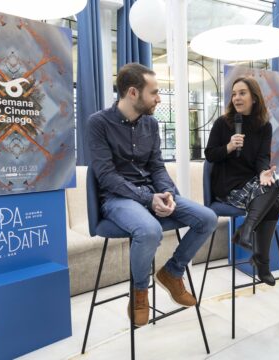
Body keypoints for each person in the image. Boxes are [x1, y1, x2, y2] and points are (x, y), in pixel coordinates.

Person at [87, 63, 217, 326]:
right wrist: (148, 199)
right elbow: (106, 176)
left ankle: (172, 272)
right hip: (117, 198)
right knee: (149, 231)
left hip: (152, 192)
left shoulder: (151, 124)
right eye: (154, 92)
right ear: (133, 93)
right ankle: (139, 291)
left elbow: (156, 166)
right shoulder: (98, 123)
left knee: (208, 218)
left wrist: (167, 193)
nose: (159, 98)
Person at [205, 77, 279, 286]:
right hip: (227, 184)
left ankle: (246, 231)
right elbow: (210, 155)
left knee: (275, 181)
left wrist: (263, 173)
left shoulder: (264, 126)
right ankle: (262, 262)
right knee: (273, 198)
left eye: (242, 93)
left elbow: (262, 158)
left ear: (254, 98)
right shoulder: (222, 123)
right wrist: (229, 147)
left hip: (250, 181)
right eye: (234, 94)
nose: (236, 98)